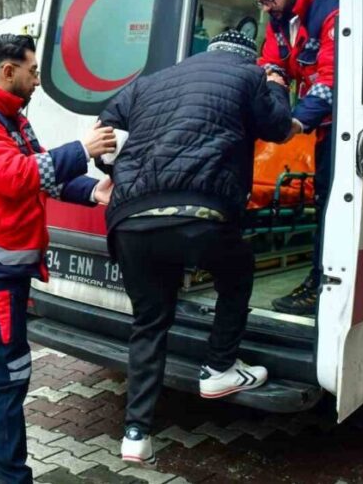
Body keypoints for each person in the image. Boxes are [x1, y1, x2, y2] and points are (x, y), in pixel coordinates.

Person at [99, 30, 294, 465]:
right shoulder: (250, 75)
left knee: (150, 321)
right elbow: (279, 128)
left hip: (131, 219)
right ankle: (219, 367)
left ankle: (136, 433)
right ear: (247, 57)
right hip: (198, 213)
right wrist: (278, 88)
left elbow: (106, 124)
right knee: (238, 269)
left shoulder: (155, 79)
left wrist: (109, 171)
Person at [0, 34, 116, 484]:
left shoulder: (11, 120)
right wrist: (82, 150)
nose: (38, 80)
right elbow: (17, 176)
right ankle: (12, 476)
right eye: (33, 71)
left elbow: (40, 171)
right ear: (8, 72)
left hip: (6, 267)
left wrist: (93, 190)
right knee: (10, 370)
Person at [250, 0, 340, 316]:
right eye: (260, 1)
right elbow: (271, 61)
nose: (266, 8)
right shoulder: (280, 18)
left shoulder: (332, 10)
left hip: (343, 129)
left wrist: (295, 123)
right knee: (323, 201)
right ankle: (317, 281)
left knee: (334, 204)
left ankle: (322, 285)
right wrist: (271, 87)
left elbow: (332, 80)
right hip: (322, 129)